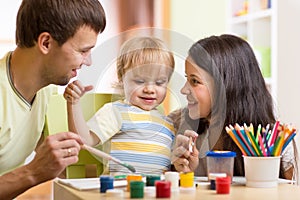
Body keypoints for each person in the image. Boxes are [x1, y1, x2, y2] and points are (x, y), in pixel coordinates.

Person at [0, 0, 106, 199]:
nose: (89, 61)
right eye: (83, 51)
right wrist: (32, 172)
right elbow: (36, 171)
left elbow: (56, 171)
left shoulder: (45, 91)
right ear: (46, 43)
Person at [170, 34, 299, 183]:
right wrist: (183, 174)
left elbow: (288, 192)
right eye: (187, 78)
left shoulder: (271, 137)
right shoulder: (176, 123)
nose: (184, 90)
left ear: (226, 86)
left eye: (194, 81)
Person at [64, 36, 175, 175]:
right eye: (140, 81)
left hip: (157, 194)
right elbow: (84, 140)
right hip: (119, 191)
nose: (150, 89)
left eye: (159, 83)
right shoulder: (117, 112)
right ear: (122, 79)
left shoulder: (168, 124)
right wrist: (73, 103)